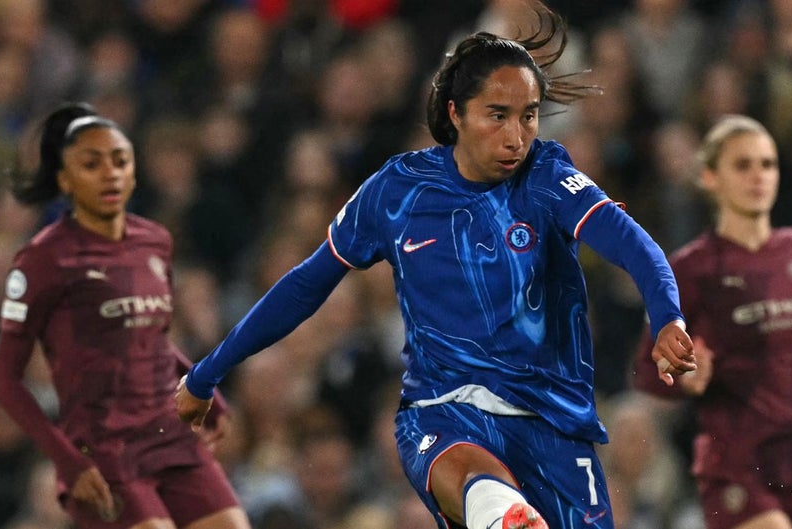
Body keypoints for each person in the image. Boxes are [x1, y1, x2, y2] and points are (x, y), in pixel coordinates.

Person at [176, 3, 696, 528]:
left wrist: (668, 316)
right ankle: (500, 512)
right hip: (443, 415)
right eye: (497, 115)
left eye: (529, 115)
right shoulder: (396, 193)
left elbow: (634, 245)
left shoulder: (548, 177)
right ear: (455, 113)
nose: (516, 136)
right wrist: (206, 373)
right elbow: (304, 286)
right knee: (480, 484)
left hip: (554, 425)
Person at [0, 102, 251, 529]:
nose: (110, 173)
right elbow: (6, 379)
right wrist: (66, 459)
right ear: (64, 179)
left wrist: (205, 387)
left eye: (119, 160)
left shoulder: (154, 241)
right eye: (91, 164)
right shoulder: (44, 259)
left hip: (168, 433)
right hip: (101, 445)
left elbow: (151, 339)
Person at [631, 114, 792, 529]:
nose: (758, 176)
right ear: (710, 176)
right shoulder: (692, 269)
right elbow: (647, 371)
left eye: (767, 164)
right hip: (738, 465)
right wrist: (685, 378)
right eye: (742, 165)